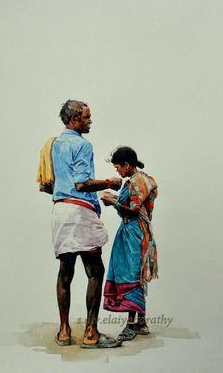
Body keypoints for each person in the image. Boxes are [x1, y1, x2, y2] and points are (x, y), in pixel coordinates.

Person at [50, 100, 122, 349]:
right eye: (86, 117)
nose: (90, 121)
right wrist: (109, 182)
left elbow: (49, 182)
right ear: (73, 120)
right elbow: (81, 184)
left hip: (60, 211)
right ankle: (91, 333)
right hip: (81, 211)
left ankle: (63, 331)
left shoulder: (55, 144)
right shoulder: (82, 144)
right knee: (95, 271)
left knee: (65, 272)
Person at [101, 146, 158, 341]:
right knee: (129, 273)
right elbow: (132, 204)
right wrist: (115, 198)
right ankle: (140, 322)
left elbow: (133, 210)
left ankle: (132, 324)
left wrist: (113, 203)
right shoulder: (133, 181)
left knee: (132, 275)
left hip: (135, 232)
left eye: (118, 167)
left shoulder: (138, 181)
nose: (117, 171)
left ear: (127, 165)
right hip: (128, 231)